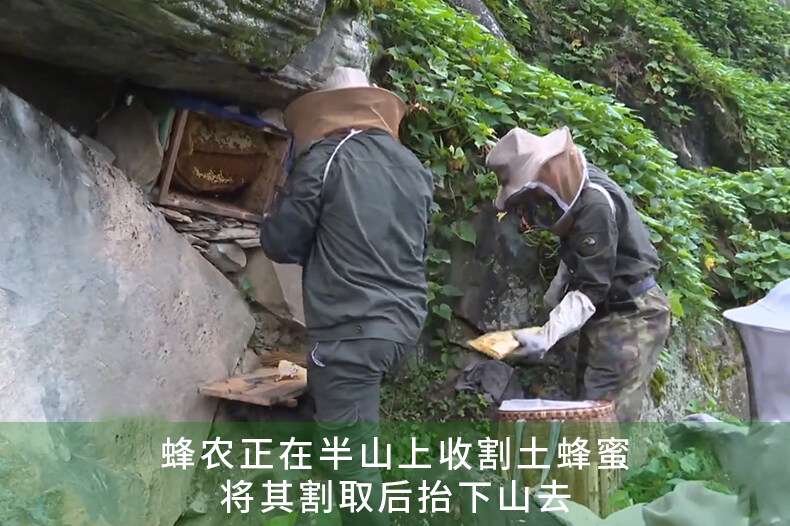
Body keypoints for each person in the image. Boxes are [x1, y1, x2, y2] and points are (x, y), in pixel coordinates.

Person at [259, 67, 434, 526]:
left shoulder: (326, 157)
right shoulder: (413, 167)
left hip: (351, 331)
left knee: (351, 467)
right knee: (343, 433)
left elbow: (282, 242)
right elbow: (416, 247)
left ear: (324, 114)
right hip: (401, 325)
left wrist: (269, 214)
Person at [486, 126, 671, 423]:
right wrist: (553, 301)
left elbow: (592, 287)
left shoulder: (594, 204)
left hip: (631, 316)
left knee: (604, 420)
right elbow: (580, 254)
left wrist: (547, 334)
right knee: (586, 409)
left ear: (543, 177)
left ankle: (608, 458)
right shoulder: (575, 185)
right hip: (608, 314)